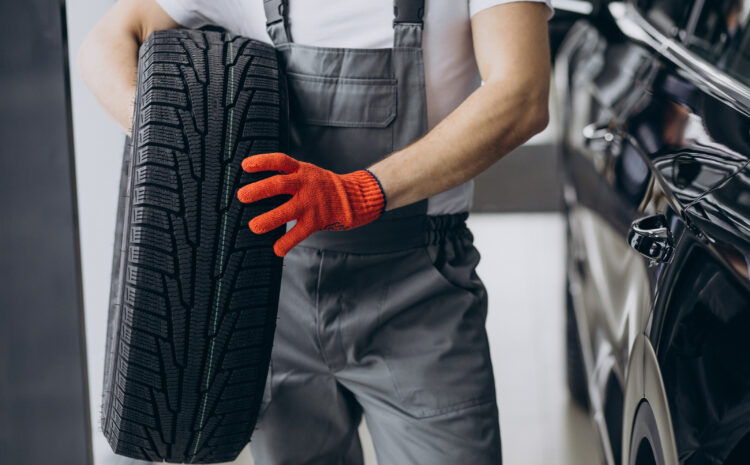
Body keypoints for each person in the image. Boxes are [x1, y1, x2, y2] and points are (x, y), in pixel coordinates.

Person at [79, 0, 553, 463]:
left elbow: (522, 94)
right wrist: (171, 138)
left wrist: (363, 191)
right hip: (272, 298)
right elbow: (107, 43)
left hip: (419, 290)